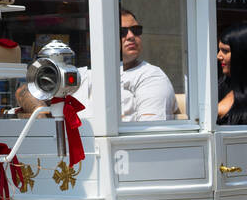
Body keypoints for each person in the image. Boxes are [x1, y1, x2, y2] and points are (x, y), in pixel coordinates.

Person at [19, 9, 176, 121]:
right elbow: (26, 90)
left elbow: (149, 133)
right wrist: (41, 117)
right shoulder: (87, 75)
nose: (131, 36)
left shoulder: (151, 77)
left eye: (136, 30)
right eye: (122, 32)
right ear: (105, 37)